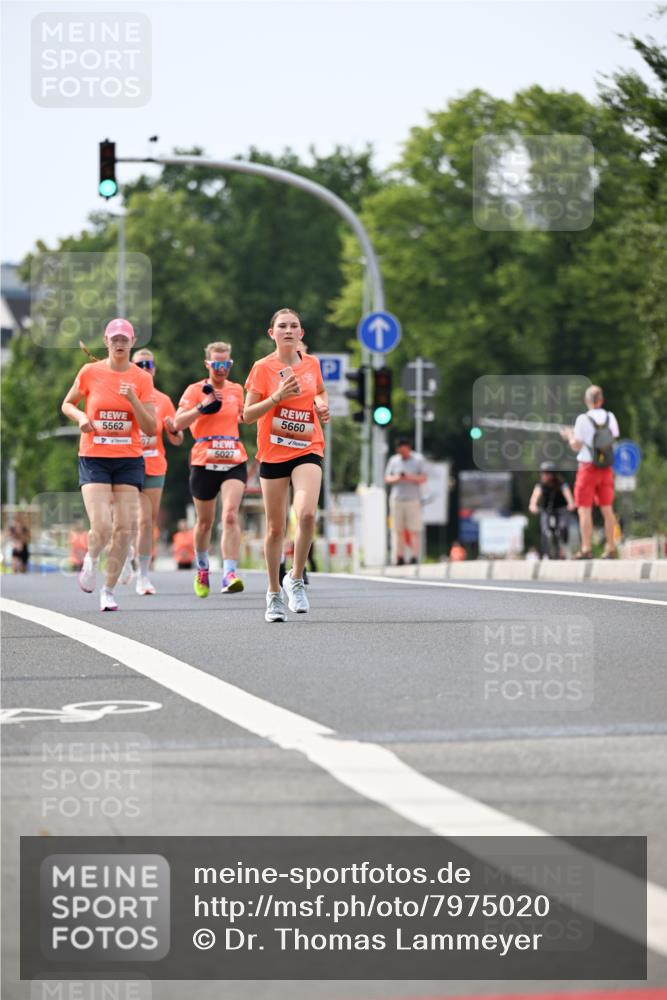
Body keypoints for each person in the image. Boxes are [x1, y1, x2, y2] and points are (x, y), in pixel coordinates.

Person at [61, 318, 156, 611]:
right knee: (102, 525)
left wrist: (134, 401)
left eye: (124, 339)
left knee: (124, 529)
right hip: (94, 457)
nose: (119, 343)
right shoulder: (91, 372)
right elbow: (67, 404)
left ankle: (109, 591)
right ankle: (90, 559)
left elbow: (151, 427)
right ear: (106, 341)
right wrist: (81, 419)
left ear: (132, 342)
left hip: (128, 459)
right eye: (114, 339)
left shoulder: (142, 379)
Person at [244, 307, 329, 622]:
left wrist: (322, 406)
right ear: (273, 333)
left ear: (301, 334)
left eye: (294, 326)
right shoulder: (262, 368)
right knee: (275, 527)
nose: (289, 330)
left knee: (306, 514)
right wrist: (277, 397)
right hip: (273, 453)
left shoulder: (312, 365)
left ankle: (295, 578)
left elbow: (319, 391)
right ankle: (273, 593)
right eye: (282, 326)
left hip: (307, 446)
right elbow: (248, 414)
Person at [173, 341, 248, 597]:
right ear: (207, 364)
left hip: (233, 459)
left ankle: (229, 573)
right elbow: (176, 423)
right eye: (216, 364)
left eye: (226, 364)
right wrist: (202, 406)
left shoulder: (237, 390)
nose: (221, 369)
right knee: (205, 523)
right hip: (204, 461)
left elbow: (243, 416)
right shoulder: (195, 390)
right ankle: (203, 569)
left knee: (229, 516)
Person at [118, 348, 183, 595]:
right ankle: (125, 555)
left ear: (154, 369)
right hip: (126, 463)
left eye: (149, 364)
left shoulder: (163, 400)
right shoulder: (121, 394)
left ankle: (143, 576)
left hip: (154, 465)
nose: (145, 368)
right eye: (139, 364)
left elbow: (177, 439)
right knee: (127, 519)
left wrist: (173, 429)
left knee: (147, 521)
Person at [561, 385, 620, 559]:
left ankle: (586, 548)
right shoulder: (610, 417)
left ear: (587, 401)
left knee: (584, 509)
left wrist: (569, 436)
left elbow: (576, 445)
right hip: (606, 467)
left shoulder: (582, 419)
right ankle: (610, 547)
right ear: (601, 400)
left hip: (587, 467)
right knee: (607, 509)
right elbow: (613, 437)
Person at [384, 438, 427, 565]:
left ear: (409, 448)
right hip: (397, 499)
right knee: (398, 530)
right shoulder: (394, 460)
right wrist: (398, 477)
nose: (402, 454)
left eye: (404, 451)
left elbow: (423, 477)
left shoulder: (418, 460)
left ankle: (414, 556)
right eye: (400, 451)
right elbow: (387, 478)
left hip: (413, 499)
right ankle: (399, 556)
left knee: (414, 529)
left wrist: (409, 477)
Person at [528, 461, 576, 559]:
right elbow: (535, 496)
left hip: (561, 509)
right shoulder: (540, 485)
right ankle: (546, 552)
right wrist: (533, 505)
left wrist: (571, 503)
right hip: (547, 510)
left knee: (562, 527)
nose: (543, 475)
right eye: (542, 473)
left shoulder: (561, 483)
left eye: (546, 473)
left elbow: (567, 494)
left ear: (552, 474)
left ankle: (564, 546)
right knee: (545, 530)